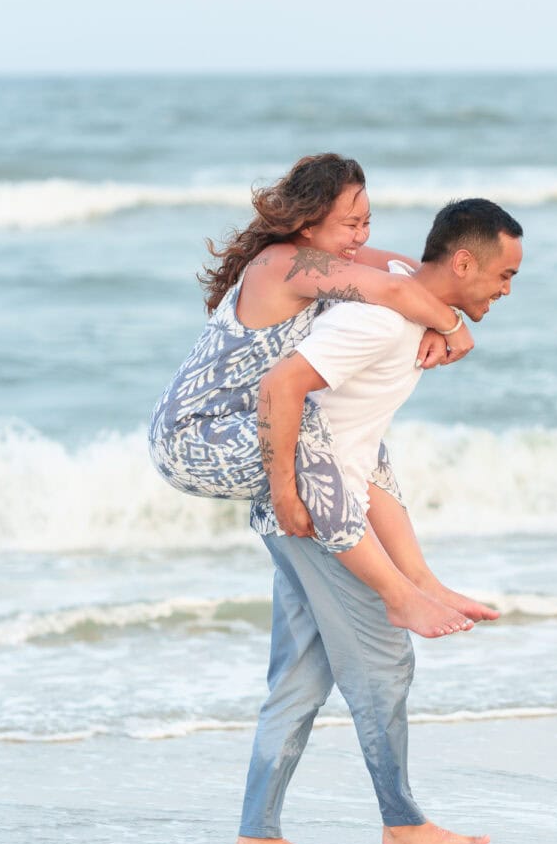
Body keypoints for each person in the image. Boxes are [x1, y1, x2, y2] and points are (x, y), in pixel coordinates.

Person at [233, 198, 524, 844]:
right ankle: (403, 825)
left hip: (323, 500)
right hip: (311, 506)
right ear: (462, 261)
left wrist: (450, 322)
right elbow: (282, 386)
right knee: (384, 663)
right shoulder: (382, 324)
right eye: (503, 275)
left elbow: (359, 444)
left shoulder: (407, 309)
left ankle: (258, 835)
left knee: (303, 674)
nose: (507, 291)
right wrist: (284, 495)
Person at [148, 153, 496, 638]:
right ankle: (399, 599)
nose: (361, 237)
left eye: (367, 222)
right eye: (350, 224)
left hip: (240, 424)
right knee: (316, 422)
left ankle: (423, 581)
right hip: (191, 438)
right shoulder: (284, 264)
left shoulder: (326, 258)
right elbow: (393, 293)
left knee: (362, 435)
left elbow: (410, 275)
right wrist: (452, 326)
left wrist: (436, 310)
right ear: (308, 226)